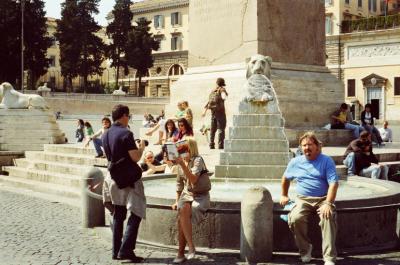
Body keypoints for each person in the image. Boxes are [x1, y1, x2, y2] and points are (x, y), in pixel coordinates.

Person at [280, 132, 339, 265]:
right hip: (303, 199)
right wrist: (284, 194)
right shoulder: (295, 162)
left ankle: (329, 257)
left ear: (317, 146)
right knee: (295, 218)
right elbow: (285, 178)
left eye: (310, 144)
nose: (306, 148)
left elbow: (333, 184)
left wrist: (328, 203)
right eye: (304, 145)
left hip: (323, 199)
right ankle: (305, 250)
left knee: (327, 217)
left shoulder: (327, 161)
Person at [101, 104, 146, 262]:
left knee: (119, 214)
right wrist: (141, 148)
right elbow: (135, 158)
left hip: (113, 178)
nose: (129, 119)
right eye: (129, 116)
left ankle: (116, 250)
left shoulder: (105, 134)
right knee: (137, 212)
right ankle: (126, 250)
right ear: (124, 116)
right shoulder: (126, 133)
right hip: (129, 180)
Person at [171, 138, 211, 263]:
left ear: (190, 149)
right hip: (186, 194)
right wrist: (177, 201)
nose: (182, 151)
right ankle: (191, 247)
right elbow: (179, 185)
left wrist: (183, 164)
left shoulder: (198, 160)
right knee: (182, 209)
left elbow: (193, 179)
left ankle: (181, 253)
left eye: (184, 149)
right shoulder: (181, 162)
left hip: (200, 194)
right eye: (180, 149)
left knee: (183, 216)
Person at [202, 77, 228, 149]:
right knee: (221, 129)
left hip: (213, 113)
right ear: (223, 83)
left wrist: (204, 111)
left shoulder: (213, 91)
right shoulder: (222, 89)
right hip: (220, 113)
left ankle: (211, 144)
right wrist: (224, 97)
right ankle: (220, 145)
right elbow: (224, 97)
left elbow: (209, 102)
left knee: (213, 130)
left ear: (216, 83)